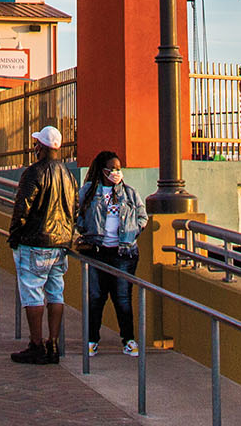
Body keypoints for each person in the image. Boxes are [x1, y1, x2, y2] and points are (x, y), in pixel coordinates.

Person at [7, 125, 78, 365]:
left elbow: (22, 207)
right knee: (56, 293)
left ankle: (36, 344)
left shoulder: (34, 172)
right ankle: (53, 343)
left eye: (36, 143)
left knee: (32, 294)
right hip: (60, 244)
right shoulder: (69, 175)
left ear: (41, 147)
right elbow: (73, 209)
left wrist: (15, 235)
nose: (34, 146)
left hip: (35, 241)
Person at [76, 149, 145, 358]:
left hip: (123, 253)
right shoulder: (88, 192)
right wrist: (86, 231)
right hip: (96, 252)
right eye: (112, 169)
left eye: (119, 169)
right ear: (102, 171)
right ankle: (91, 340)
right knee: (96, 297)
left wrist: (132, 233)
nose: (116, 173)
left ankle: (129, 339)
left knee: (123, 298)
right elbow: (77, 214)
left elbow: (142, 216)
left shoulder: (129, 193)